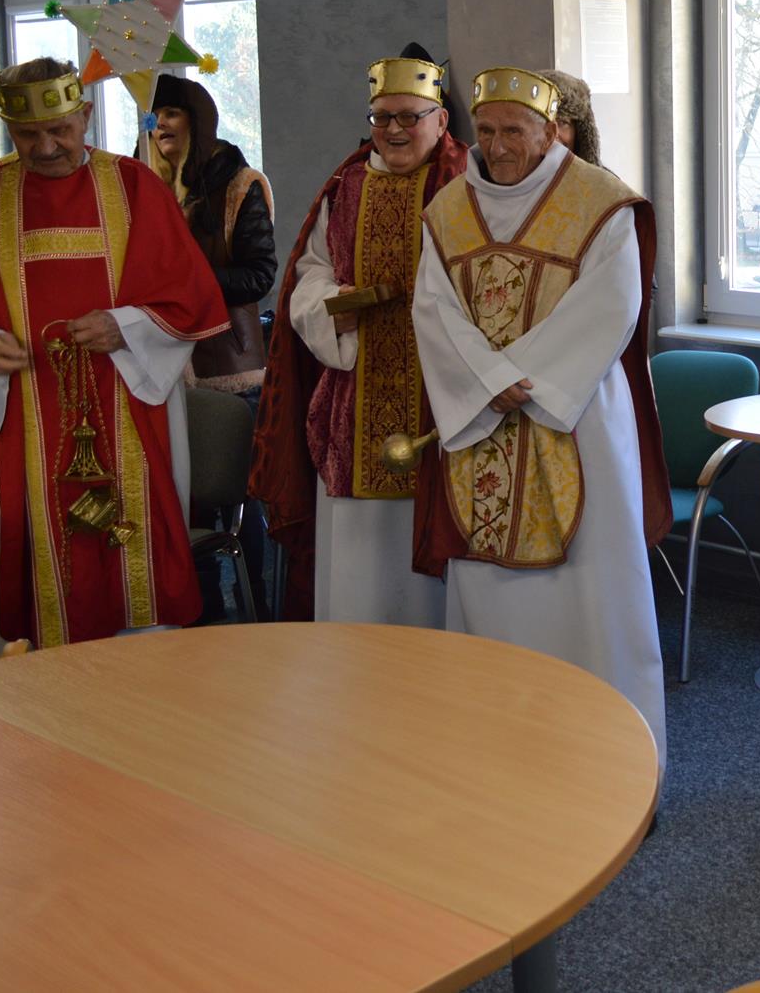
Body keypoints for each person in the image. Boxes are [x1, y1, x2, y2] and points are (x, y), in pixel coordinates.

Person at [0, 57, 228, 647]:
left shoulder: (133, 186)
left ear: (86, 115)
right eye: (27, 135)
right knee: (31, 549)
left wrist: (126, 326)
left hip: (129, 403)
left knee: (139, 553)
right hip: (23, 409)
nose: (46, 147)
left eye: (60, 129)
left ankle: (149, 664)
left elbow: (187, 299)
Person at [412, 66, 673, 766]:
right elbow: (432, 308)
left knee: (594, 599)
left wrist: (510, 378)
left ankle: (614, 762)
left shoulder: (601, 202)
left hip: (578, 421)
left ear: (551, 131)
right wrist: (490, 380)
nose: (497, 146)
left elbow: (612, 306)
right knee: (491, 602)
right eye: (486, 131)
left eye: (513, 131)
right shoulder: (448, 208)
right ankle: (497, 759)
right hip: (483, 426)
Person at [250, 44, 470, 623]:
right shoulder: (345, 187)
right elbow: (309, 273)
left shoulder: (467, 184)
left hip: (439, 404)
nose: (393, 131)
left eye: (409, 117)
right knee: (359, 580)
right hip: (356, 401)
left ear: (440, 119)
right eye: (381, 117)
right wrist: (331, 310)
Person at [143, 74, 278, 619]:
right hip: (162, 366)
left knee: (241, 505)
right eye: (154, 116)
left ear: (197, 121)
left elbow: (259, 274)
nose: (161, 125)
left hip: (229, 366)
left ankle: (255, 612)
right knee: (184, 503)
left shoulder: (240, 183)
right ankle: (200, 615)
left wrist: (188, 281)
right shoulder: (146, 189)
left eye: (172, 113)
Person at [539, 67, 601, 166]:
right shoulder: (513, 174)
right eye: (542, 122)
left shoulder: (599, 176)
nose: (553, 134)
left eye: (562, 123)